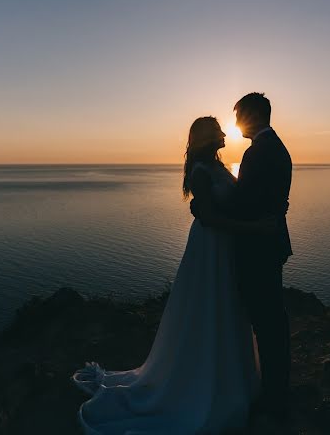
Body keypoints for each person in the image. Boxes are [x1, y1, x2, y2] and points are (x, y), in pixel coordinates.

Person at [72, 116, 277, 433]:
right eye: (219, 130)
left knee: (227, 308)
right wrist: (255, 228)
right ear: (207, 137)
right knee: (209, 306)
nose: (225, 133)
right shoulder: (200, 172)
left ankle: (228, 377)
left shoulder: (219, 167)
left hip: (225, 250)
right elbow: (209, 218)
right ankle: (201, 382)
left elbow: (227, 207)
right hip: (210, 248)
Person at [192, 92, 293, 420]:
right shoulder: (273, 147)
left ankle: (274, 398)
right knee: (269, 320)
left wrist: (205, 208)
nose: (234, 125)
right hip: (266, 243)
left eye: (237, 117)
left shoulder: (259, 153)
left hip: (259, 249)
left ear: (250, 116)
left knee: (267, 323)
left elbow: (245, 203)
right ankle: (274, 390)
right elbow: (263, 199)